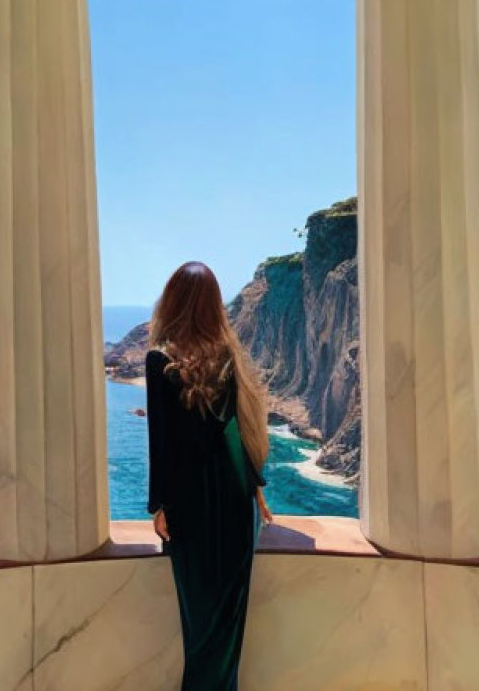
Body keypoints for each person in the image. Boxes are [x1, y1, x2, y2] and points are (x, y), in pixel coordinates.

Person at [145, 260, 274, 691]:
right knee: (226, 621)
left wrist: (158, 506)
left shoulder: (159, 359)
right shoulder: (227, 356)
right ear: (213, 305)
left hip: (191, 504)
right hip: (234, 500)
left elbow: (161, 441)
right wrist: (255, 487)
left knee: (200, 622)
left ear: (173, 301)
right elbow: (237, 430)